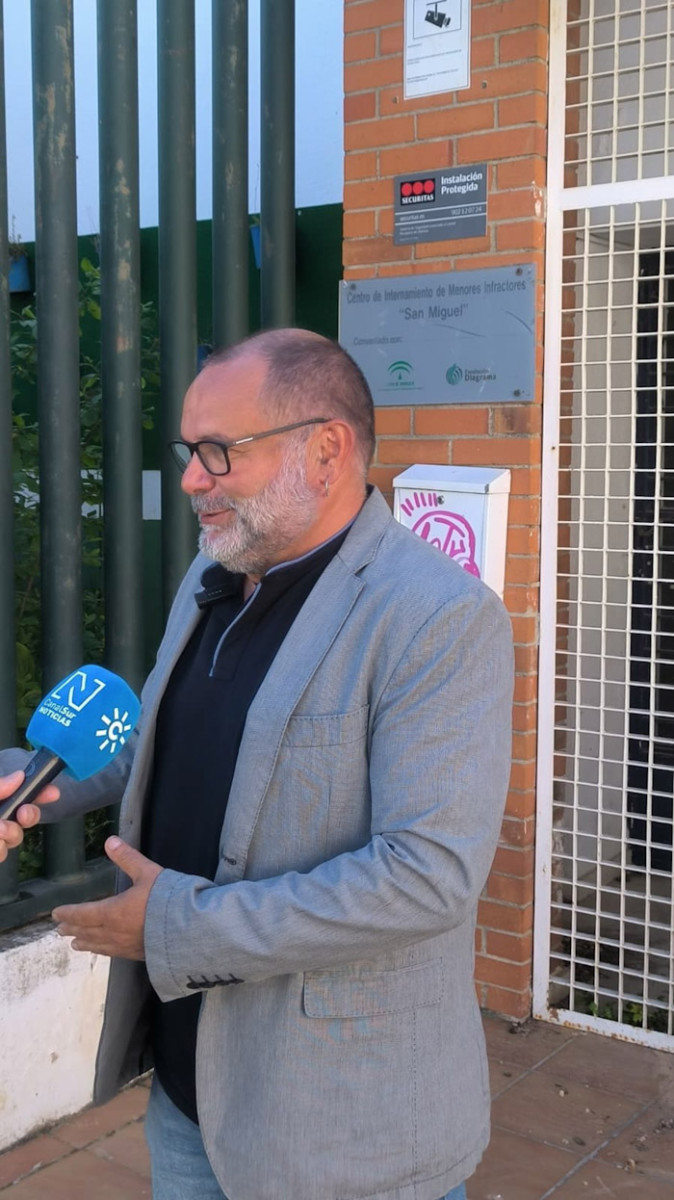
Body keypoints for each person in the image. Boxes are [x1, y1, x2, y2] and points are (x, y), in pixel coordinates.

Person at [0, 330, 513, 1200]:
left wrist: (173, 928)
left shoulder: (437, 617)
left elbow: (428, 877)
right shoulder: (213, 578)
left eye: (218, 452)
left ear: (325, 451)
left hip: (342, 1124)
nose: (191, 480)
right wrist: (33, 780)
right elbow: (160, 745)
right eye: (188, 452)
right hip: (188, 1090)